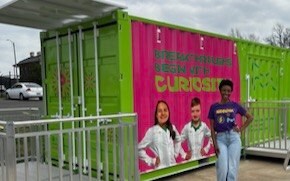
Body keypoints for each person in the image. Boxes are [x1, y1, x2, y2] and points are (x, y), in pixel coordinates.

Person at [208, 79, 253, 181]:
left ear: (231, 92)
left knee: (232, 168)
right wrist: (215, 145)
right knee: (223, 168)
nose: (226, 93)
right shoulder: (214, 107)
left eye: (229, 91)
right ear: (220, 90)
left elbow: (250, 117)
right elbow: (211, 127)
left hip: (234, 138)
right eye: (224, 90)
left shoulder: (235, 105)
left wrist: (241, 129)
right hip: (220, 139)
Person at [138, 100, 180, 169]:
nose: (163, 113)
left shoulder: (172, 127)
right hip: (160, 170)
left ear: (168, 112)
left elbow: (178, 140)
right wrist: (152, 161)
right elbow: (139, 149)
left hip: (173, 168)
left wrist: (175, 154)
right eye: (160, 111)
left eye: (165, 110)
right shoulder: (152, 131)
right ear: (156, 115)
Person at [179, 97, 212, 163]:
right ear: (190, 112)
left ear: (200, 111)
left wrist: (206, 148)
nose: (195, 114)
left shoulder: (204, 126)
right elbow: (177, 142)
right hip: (191, 162)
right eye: (193, 111)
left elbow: (212, 136)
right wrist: (184, 155)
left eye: (197, 111)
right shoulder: (187, 127)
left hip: (201, 160)